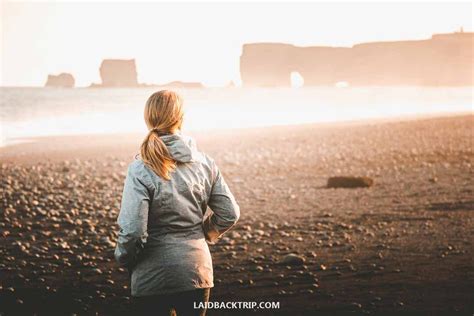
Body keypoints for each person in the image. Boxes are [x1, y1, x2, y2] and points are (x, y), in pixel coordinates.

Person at [114, 90, 240, 316]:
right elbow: (229, 213)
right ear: (180, 118)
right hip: (196, 270)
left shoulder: (140, 168)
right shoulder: (205, 163)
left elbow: (134, 231)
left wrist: (123, 258)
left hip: (150, 276)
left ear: (148, 119)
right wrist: (202, 233)